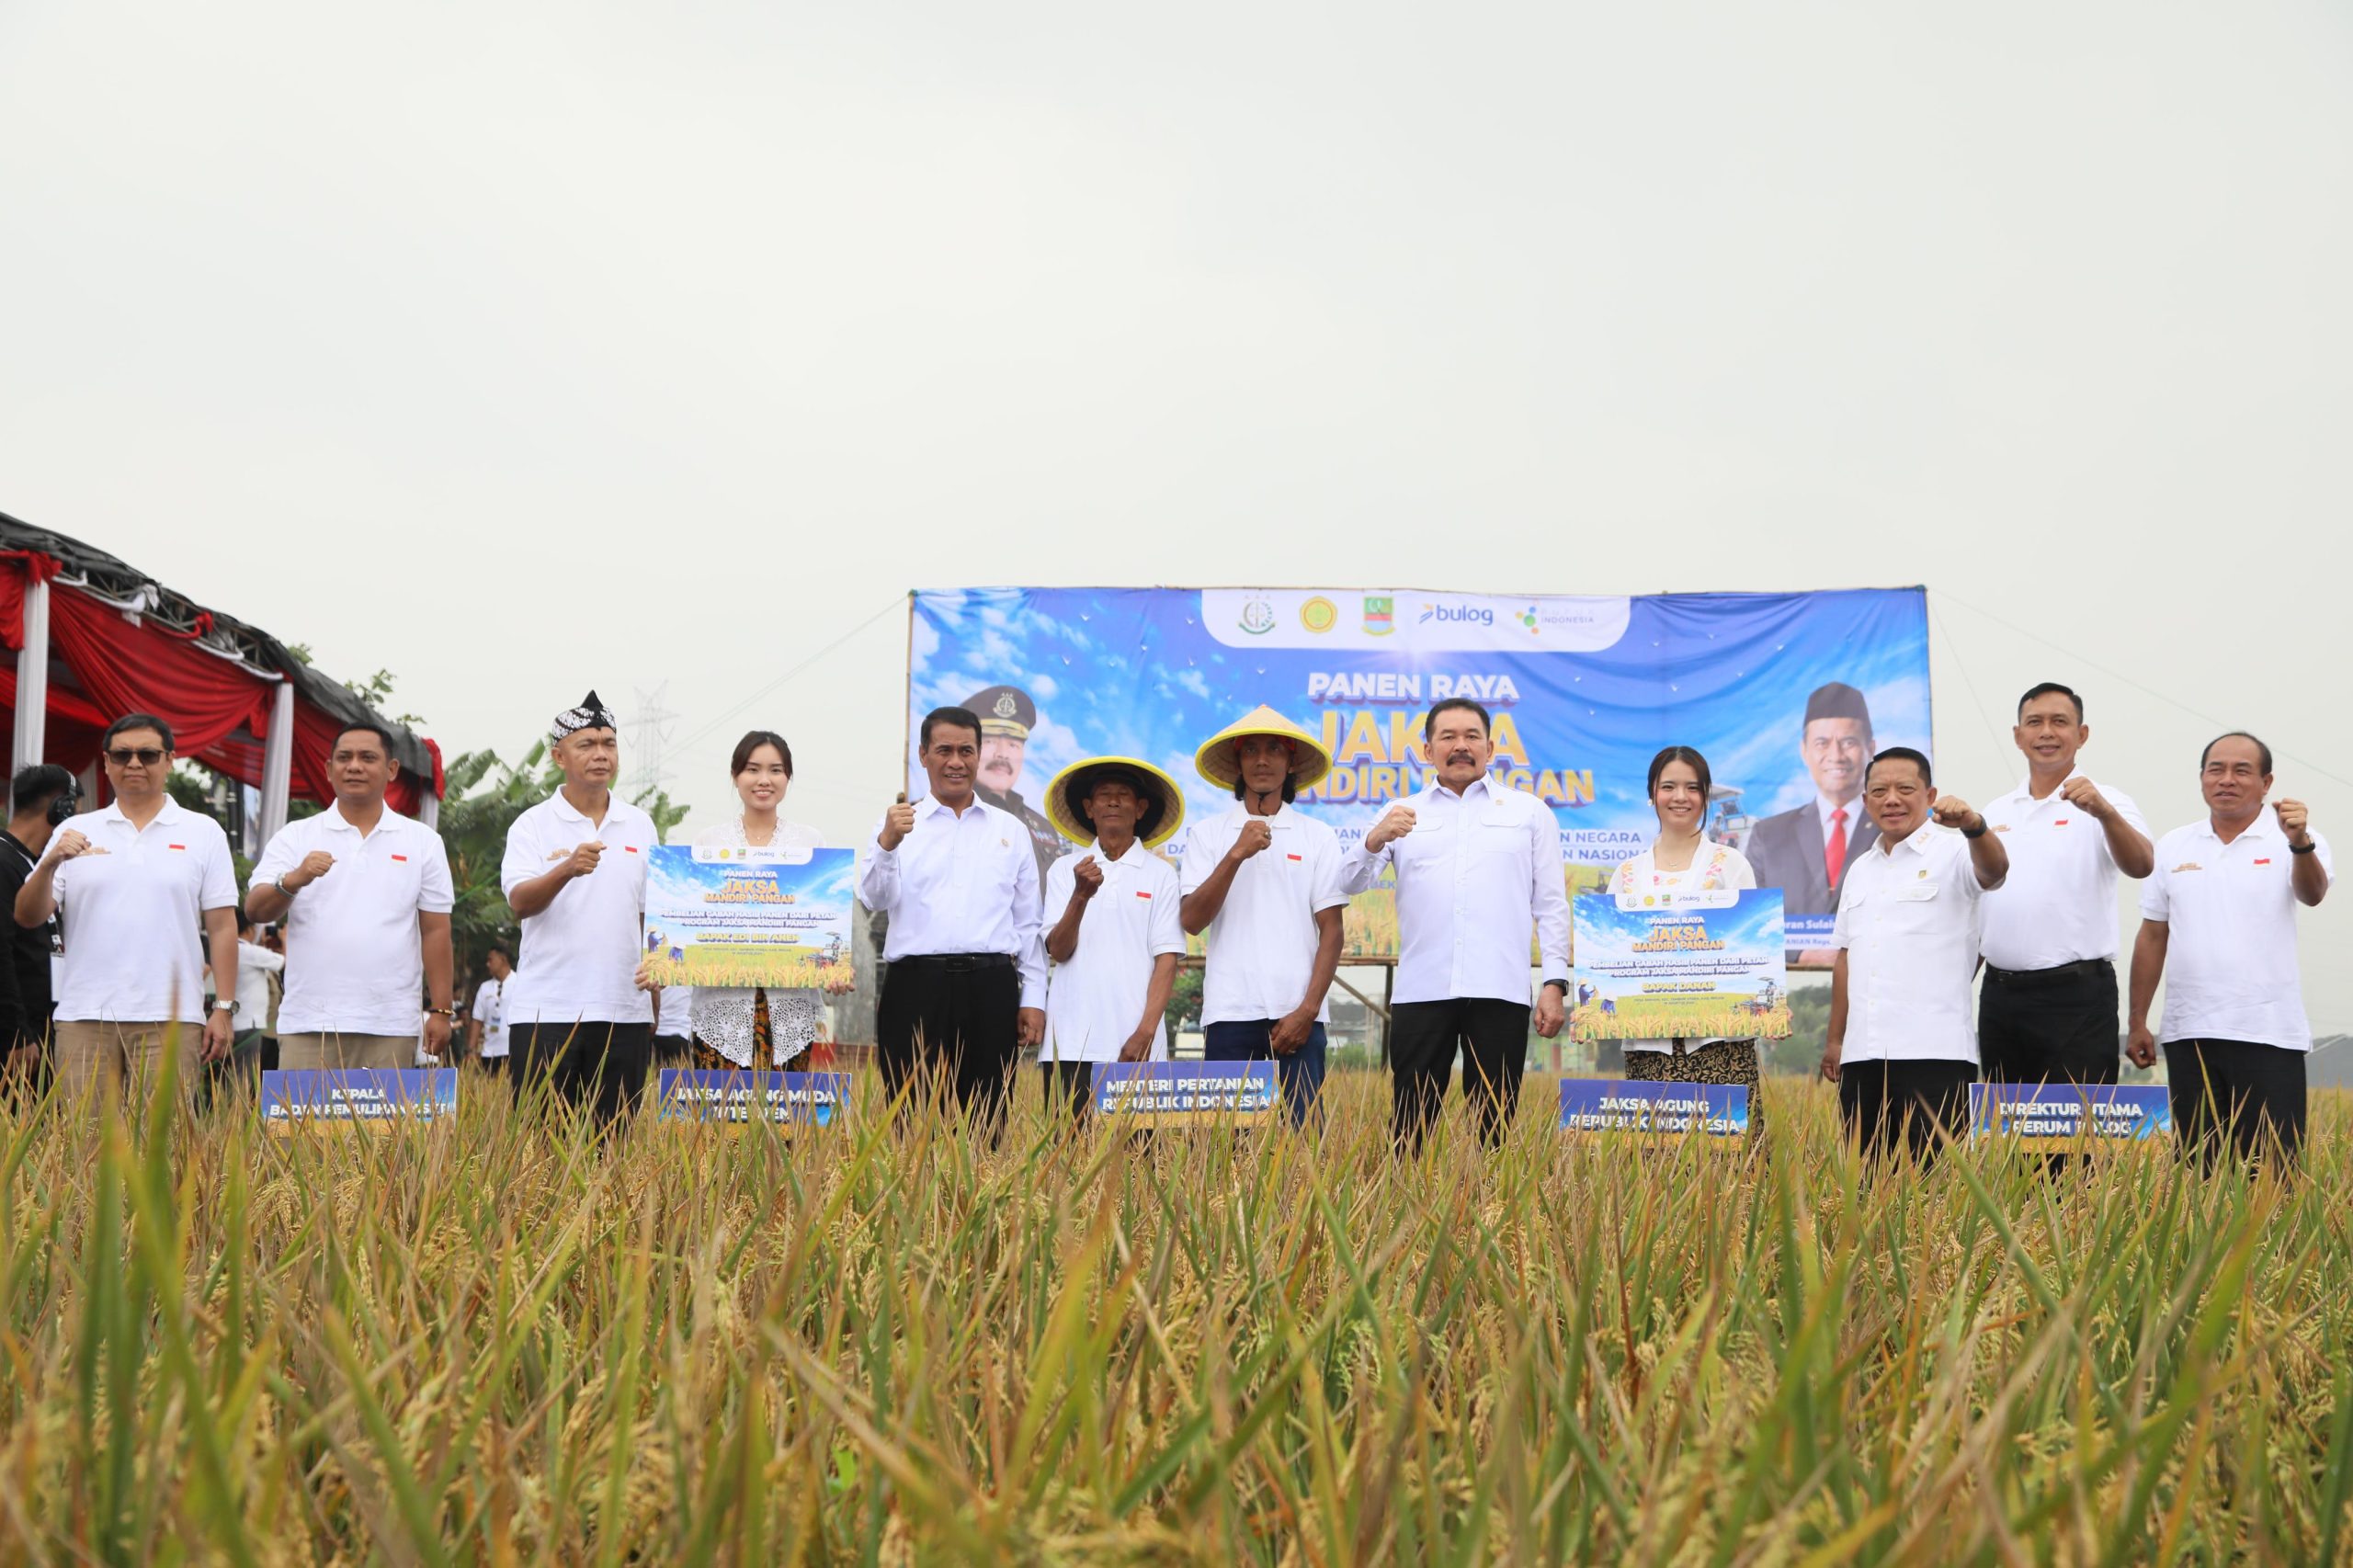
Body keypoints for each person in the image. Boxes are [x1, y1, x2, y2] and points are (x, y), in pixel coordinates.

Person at [1342, 698, 1570, 1151]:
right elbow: (1348, 882)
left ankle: (1490, 1196)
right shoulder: (1400, 812)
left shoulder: (1529, 812)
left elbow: (1551, 905)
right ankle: (1405, 1196)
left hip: (1500, 987)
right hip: (1422, 989)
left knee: (1494, 1123)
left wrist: (1554, 983)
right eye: (1448, 737)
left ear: (1490, 747)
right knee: (1410, 1123)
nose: (1460, 746)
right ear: (1428, 750)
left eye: (1471, 736)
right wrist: (1375, 838)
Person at [13, 714, 240, 1104]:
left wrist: (223, 1007)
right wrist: (49, 862)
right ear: (106, 762)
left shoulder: (203, 831)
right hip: (85, 1014)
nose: (134, 763)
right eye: (122, 755)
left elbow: (222, 927)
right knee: (85, 1137)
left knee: (166, 1137)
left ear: (169, 760)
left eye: (147, 755)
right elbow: (27, 916)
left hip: (172, 1016)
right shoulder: (75, 830)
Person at [2128, 733, 2331, 1167]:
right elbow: (2153, 934)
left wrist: (2299, 842)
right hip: (2189, 1032)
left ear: (2266, 782)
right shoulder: (2174, 845)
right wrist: (2137, 1020)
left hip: (2268, 1033)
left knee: (2273, 1171)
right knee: (2198, 1169)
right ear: (2202, 777)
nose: (2227, 780)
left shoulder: (2295, 838)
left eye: (2242, 770)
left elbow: (2313, 894)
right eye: (2216, 769)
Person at [859, 704, 1046, 1136]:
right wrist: (888, 844)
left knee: (987, 1123)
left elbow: (1027, 925)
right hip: (915, 989)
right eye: (944, 750)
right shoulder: (896, 826)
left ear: (978, 756)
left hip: (991, 989)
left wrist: (1034, 997)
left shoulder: (1010, 830)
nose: (956, 762)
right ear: (923, 755)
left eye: (966, 751)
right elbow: (874, 898)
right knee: (911, 1124)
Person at [1819, 747, 2008, 1162]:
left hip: (1935, 1054)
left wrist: (1974, 826)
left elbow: (1995, 871)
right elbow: (1846, 957)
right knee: (1864, 1182)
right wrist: (1835, 1041)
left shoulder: (1955, 852)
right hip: (1863, 1056)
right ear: (1865, 800)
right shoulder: (1860, 869)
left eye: (1905, 789)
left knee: (1934, 1184)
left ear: (1930, 795)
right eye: (1879, 791)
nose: (1892, 800)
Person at [248, 722, 459, 1070]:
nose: (355, 766)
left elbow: (436, 930)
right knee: (301, 1110)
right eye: (344, 758)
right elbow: (255, 909)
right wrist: (295, 878)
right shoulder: (296, 836)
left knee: (388, 1111)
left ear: (392, 769)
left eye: (368, 758)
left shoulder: (422, 841)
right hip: (309, 1024)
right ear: (328, 769)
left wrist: (441, 1010)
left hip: (391, 1024)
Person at [1976, 683, 2153, 1086]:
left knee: (2078, 1121)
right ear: (2018, 735)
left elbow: (2142, 865)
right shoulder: (1996, 812)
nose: (2046, 733)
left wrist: (2104, 814)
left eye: (2059, 722)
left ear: (2082, 734)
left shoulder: (2108, 801)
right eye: (2034, 722)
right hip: (2001, 995)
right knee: (2007, 1121)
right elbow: (1979, 907)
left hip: (2077, 997)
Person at [1180, 705, 1347, 1127]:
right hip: (1230, 1011)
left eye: (1274, 749)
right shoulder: (1208, 834)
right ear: (1238, 762)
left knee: (1302, 1142)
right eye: (1250, 750)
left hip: (1298, 1015)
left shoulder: (1318, 836)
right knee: (1224, 1147)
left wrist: (1307, 1011)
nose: (1262, 760)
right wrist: (1236, 853)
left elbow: (1332, 931)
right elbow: (1192, 920)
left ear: (1291, 763)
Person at [500, 691, 659, 1122]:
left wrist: (654, 992)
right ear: (559, 757)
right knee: (541, 1145)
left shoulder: (640, 825)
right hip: (546, 1011)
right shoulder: (532, 824)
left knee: (615, 1143)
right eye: (586, 744)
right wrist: (567, 869)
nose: (600, 754)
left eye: (609, 744)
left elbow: (649, 916)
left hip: (624, 1010)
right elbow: (519, 902)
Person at [1607, 746, 1766, 1123]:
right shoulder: (1627, 874)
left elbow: (1754, 944)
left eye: (1692, 787)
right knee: (1654, 1151)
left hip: (1721, 1044)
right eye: (1669, 787)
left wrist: (1766, 1006)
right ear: (1652, 794)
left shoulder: (1731, 864)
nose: (1680, 797)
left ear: (1705, 795)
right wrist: (1596, 1012)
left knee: (1728, 1152)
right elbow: (1611, 955)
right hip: (1650, 1046)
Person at [1037, 757, 1187, 1121]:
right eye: (1104, 795)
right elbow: (1058, 950)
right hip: (1070, 1042)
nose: (1114, 802)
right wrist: (1080, 895)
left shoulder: (1161, 875)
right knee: (1067, 1148)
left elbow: (1167, 959)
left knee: (1140, 1152)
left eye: (1124, 795)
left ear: (1141, 808)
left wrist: (1145, 1033)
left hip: (1138, 1044)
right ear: (1089, 808)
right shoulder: (1065, 870)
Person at [684, 731, 827, 1073]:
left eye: (775, 770)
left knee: (785, 1105)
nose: (764, 780)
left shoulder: (809, 842)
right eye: (752, 769)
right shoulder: (709, 842)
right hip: (722, 1009)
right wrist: (662, 964)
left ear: (788, 777)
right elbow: (691, 922)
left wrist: (832, 968)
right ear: (735, 775)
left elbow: (822, 920)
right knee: (718, 1104)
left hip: (790, 1008)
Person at [1744, 682, 1881, 932]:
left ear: (1870, 749)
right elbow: (1751, 924)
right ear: (1804, 751)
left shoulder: (1893, 830)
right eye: (1822, 743)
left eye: (1848, 742)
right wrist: (1800, 951)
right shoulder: (1769, 836)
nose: (1836, 755)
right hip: (1794, 960)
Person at [0, 763, 75, 1078]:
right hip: (19, 1039)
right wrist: (16, 1034)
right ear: (61, 808)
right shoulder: (4, 861)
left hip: (40, 1027)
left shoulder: (31, 862)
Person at [963, 684, 1064, 887]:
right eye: (990, 741)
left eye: (1013, 745)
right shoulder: (945, 815)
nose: (1002, 754)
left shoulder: (1042, 826)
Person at [466, 942, 514, 1072]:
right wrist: (471, 1050)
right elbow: (477, 1020)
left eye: (490, 960)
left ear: (503, 959)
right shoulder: (484, 988)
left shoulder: (518, 982)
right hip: (489, 1053)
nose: (488, 964)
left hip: (512, 1050)